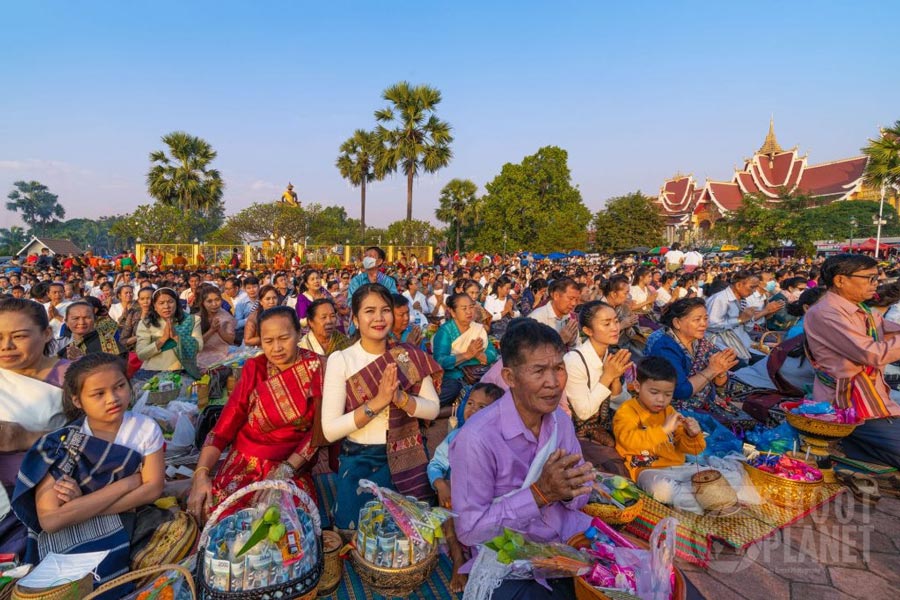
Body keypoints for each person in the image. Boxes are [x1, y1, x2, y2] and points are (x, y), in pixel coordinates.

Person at [450, 320, 593, 599]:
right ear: (510, 377)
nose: (553, 383)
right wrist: (539, 494)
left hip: (567, 546)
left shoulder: (560, 423)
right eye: (539, 370)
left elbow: (579, 495)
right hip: (511, 561)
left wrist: (567, 492)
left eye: (559, 368)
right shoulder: (476, 438)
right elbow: (470, 531)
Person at [12, 353, 165, 590]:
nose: (113, 398)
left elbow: (153, 489)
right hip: (76, 532)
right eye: (98, 394)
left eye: (120, 386)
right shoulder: (64, 444)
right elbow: (51, 520)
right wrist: (127, 484)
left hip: (128, 521)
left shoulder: (144, 428)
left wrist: (82, 505)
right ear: (77, 401)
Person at [320, 284, 440, 532]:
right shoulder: (341, 360)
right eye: (369, 311)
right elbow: (330, 430)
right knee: (355, 531)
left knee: (411, 533)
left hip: (407, 455)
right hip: (360, 458)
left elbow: (433, 410)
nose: (378, 318)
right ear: (355, 318)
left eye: (385, 310)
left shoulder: (407, 356)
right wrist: (377, 402)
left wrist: (400, 398)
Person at [188, 307, 325, 521]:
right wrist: (201, 473)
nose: (277, 348)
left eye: (284, 338)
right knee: (216, 513)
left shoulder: (319, 368)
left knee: (283, 521)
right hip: (245, 460)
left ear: (299, 334)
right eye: (268, 341)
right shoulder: (255, 368)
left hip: (292, 463)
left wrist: (285, 471)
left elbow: (319, 430)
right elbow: (224, 427)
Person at [614, 357, 760, 514]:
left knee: (734, 477)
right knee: (663, 490)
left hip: (680, 468)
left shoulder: (669, 412)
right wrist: (663, 430)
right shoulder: (627, 411)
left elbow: (691, 450)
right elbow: (629, 441)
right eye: (654, 392)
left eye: (668, 394)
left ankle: (707, 500)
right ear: (637, 386)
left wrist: (693, 435)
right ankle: (711, 501)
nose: (661, 400)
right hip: (648, 471)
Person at [804, 254, 900, 468]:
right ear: (840, 280)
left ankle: (858, 452)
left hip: (873, 399)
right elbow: (873, 354)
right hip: (849, 406)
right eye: (869, 278)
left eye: (876, 279)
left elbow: (887, 332)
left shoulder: (860, 309)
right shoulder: (826, 313)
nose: (875, 284)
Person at [0, 298, 71, 556]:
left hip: (51, 494)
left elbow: (100, 437)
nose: (6, 346)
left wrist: (26, 438)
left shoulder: (73, 378)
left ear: (46, 333)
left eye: (18, 336)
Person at [427, 382, 504, 592]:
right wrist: (441, 484)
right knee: (448, 509)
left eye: (482, 407)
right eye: (470, 403)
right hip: (457, 500)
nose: (473, 410)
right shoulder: (456, 435)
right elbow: (435, 464)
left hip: (486, 503)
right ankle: (458, 557)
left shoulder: (501, 441)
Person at [563, 301, 632, 475]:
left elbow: (620, 402)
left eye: (616, 321)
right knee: (618, 472)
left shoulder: (610, 356)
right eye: (606, 323)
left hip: (605, 427)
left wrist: (615, 380)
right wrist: (607, 377)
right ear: (588, 331)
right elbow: (584, 412)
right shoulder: (574, 361)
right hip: (578, 434)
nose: (615, 327)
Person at [644, 298, 739, 412]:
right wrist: (712, 370)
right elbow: (681, 391)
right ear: (677, 323)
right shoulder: (665, 348)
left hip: (706, 402)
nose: (704, 324)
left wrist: (721, 371)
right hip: (674, 410)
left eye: (705, 319)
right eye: (697, 319)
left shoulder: (702, 342)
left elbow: (720, 384)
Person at [432, 293, 500, 406]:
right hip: (455, 376)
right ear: (453, 312)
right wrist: (467, 355)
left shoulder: (478, 329)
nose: (469, 312)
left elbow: (492, 353)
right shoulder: (445, 331)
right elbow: (440, 361)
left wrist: (478, 355)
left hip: (478, 373)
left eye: (471, 307)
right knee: (452, 389)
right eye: (464, 308)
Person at [705, 271, 783, 366]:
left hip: (742, 345)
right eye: (752, 287)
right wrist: (739, 320)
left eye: (756, 287)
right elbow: (711, 325)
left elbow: (747, 328)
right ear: (738, 285)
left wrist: (749, 318)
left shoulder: (743, 300)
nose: (754, 290)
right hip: (724, 347)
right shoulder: (720, 299)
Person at [134, 288, 203, 381]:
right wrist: (162, 340)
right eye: (161, 303)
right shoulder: (146, 323)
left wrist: (177, 337)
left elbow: (199, 346)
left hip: (184, 370)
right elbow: (141, 354)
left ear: (177, 303)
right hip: (152, 372)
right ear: (155, 306)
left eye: (170, 302)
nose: (166, 306)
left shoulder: (192, 320)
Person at [57, 301, 124, 360]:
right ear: (66, 322)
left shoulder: (107, 342)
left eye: (87, 317)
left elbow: (115, 369)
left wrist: (83, 359)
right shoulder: (59, 344)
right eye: (75, 318)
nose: (81, 322)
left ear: (94, 320)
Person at [528, 277, 580, 349]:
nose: (574, 303)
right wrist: (560, 340)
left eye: (576, 300)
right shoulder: (536, 319)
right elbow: (530, 354)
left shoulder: (570, 318)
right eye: (570, 298)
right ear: (556, 296)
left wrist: (572, 343)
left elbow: (577, 348)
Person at [195, 285, 236, 370]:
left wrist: (219, 329)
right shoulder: (197, 318)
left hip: (222, 354)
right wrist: (212, 330)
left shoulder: (226, 316)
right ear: (203, 303)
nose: (214, 304)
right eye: (209, 301)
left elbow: (231, 340)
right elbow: (195, 345)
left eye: (217, 300)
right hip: (201, 356)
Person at [119, 286, 154, 352]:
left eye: (149, 298)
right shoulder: (133, 314)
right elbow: (123, 341)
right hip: (134, 353)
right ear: (138, 300)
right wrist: (140, 336)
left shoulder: (160, 314)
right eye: (142, 299)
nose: (145, 302)